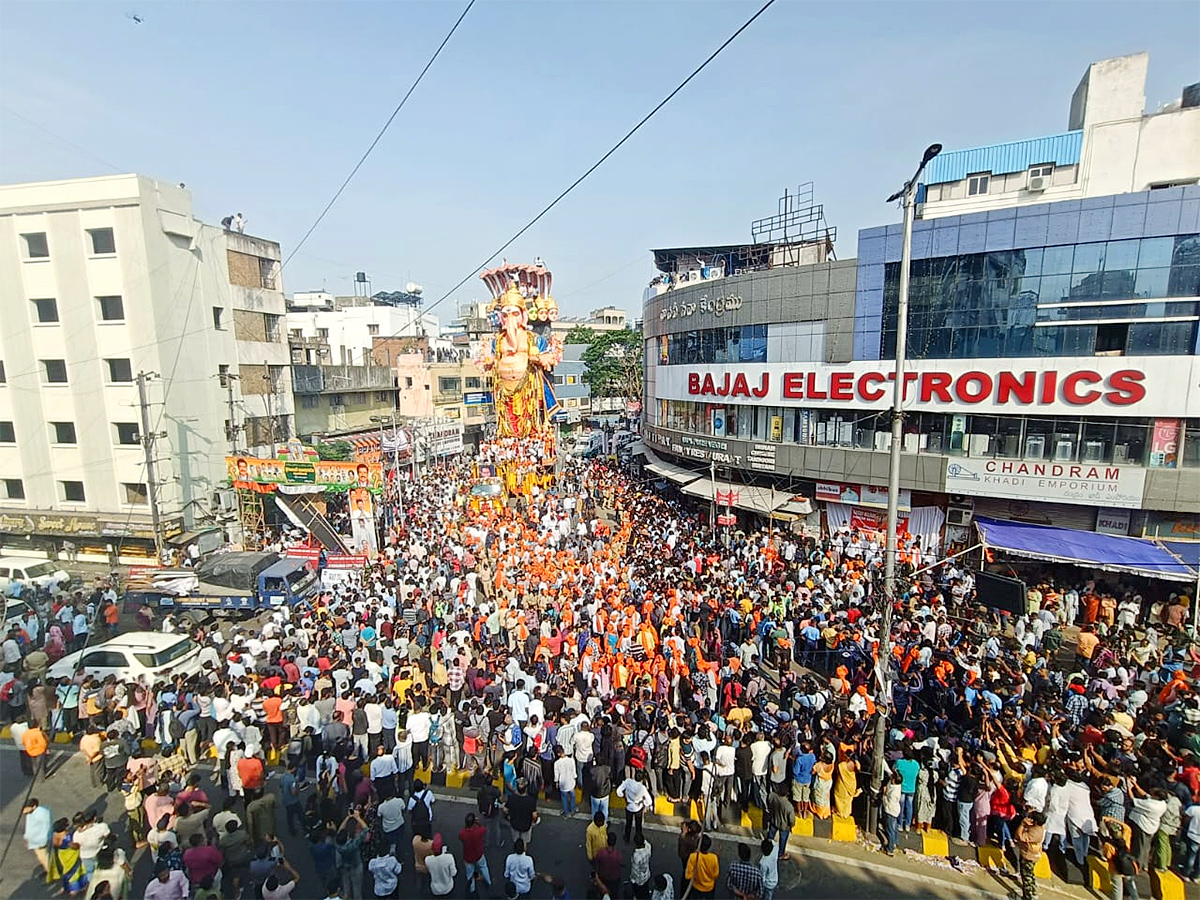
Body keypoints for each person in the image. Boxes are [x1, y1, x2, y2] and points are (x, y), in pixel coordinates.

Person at [1013, 811, 1046, 900]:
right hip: (1033, 855)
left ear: (1035, 822)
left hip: (1029, 856)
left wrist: (1022, 825)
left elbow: (1020, 836)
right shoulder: (1040, 827)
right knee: (1030, 874)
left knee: (1026, 877)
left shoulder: (1035, 833)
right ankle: (1033, 892)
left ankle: (1027, 897)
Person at [459, 812, 492, 895]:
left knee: (470, 874)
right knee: (484, 867)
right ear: (474, 822)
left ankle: (472, 889)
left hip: (468, 857)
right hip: (479, 855)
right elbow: (484, 829)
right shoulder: (478, 831)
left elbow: (461, 837)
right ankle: (488, 882)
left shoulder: (462, 833)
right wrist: (478, 823)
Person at [617, 771, 651, 844]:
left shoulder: (628, 782)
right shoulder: (642, 788)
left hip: (629, 806)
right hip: (638, 808)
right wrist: (643, 802)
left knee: (628, 823)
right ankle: (638, 838)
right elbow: (649, 801)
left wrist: (623, 796)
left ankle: (627, 837)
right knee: (638, 825)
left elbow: (618, 791)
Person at [505, 778, 539, 848]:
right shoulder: (531, 800)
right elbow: (534, 815)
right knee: (524, 843)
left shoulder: (511, 798)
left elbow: (505, 809)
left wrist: (508, 816)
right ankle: (523, 853)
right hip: (526, 825)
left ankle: (516, 851)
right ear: (526, 789)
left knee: (516, 841)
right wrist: (534, 822)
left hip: (514, 823)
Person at [684, 834, 719, 899]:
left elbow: (688, 876)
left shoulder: (693, 857)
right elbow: (715, 875)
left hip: (697, 887)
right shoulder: (714, 858)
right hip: (709, 887)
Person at [22, 798, 52, 876]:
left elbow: (45, 829)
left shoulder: (42, 814)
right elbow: (30, 827)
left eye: (26, 808)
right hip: (34, 841)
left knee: (44, 858)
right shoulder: (31, 813)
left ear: (34, 807)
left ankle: (50, 873)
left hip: (40, 841)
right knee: (41, 857)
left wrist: (42, 842)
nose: (24, 810)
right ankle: (48, 869)